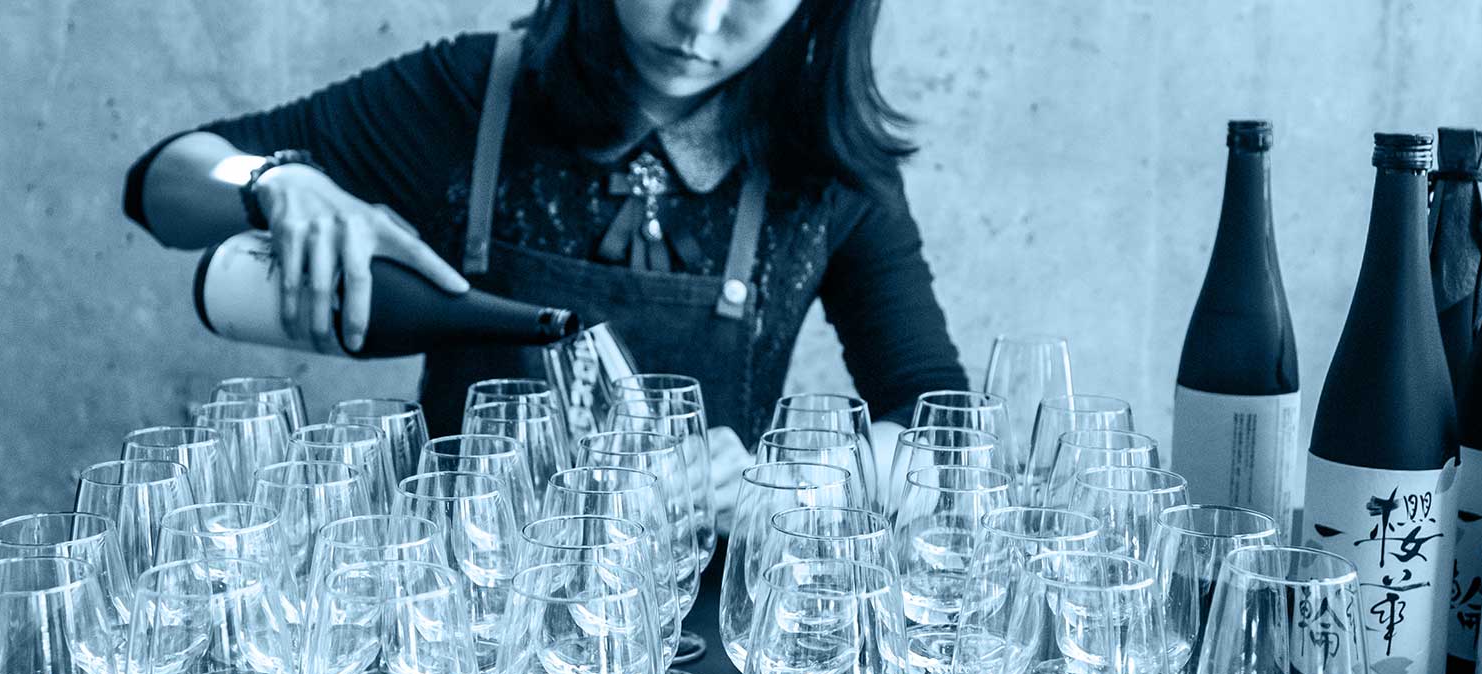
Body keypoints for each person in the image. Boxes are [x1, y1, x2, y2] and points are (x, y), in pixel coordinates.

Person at [124, 0, 967, 503]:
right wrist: (274, 179)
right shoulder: (473, 94)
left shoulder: (822, 162)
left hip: (709, 630)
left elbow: (947, 431)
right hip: (463, 619)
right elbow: (161, 181)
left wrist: (796, 485)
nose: (701, 21)